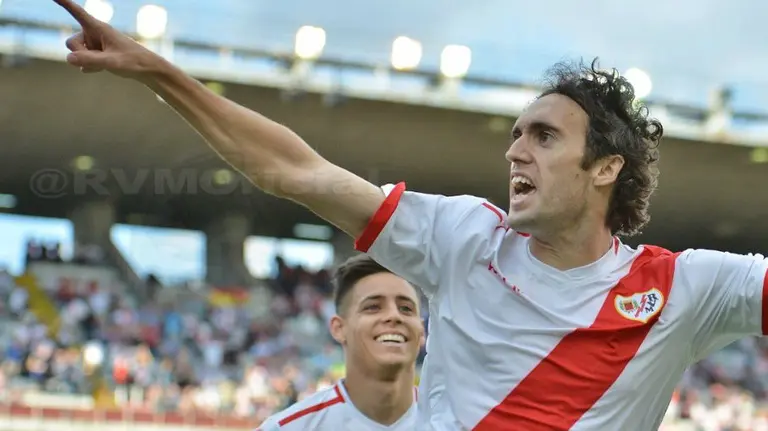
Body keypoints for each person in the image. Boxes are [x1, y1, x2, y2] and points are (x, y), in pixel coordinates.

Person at [52, 1, 768, 429]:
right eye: (515, 134)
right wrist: (157, 70)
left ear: (606, 167)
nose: (517, 151)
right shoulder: (463, 238)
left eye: (544, 136)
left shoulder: (683, 288)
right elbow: (300, 171)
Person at [257, 254, 422, 430]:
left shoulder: (451, 421)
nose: (394, 316)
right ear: (338, 328)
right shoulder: (286, 428)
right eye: (373, 307)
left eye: (406, 308)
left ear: (422, 331)